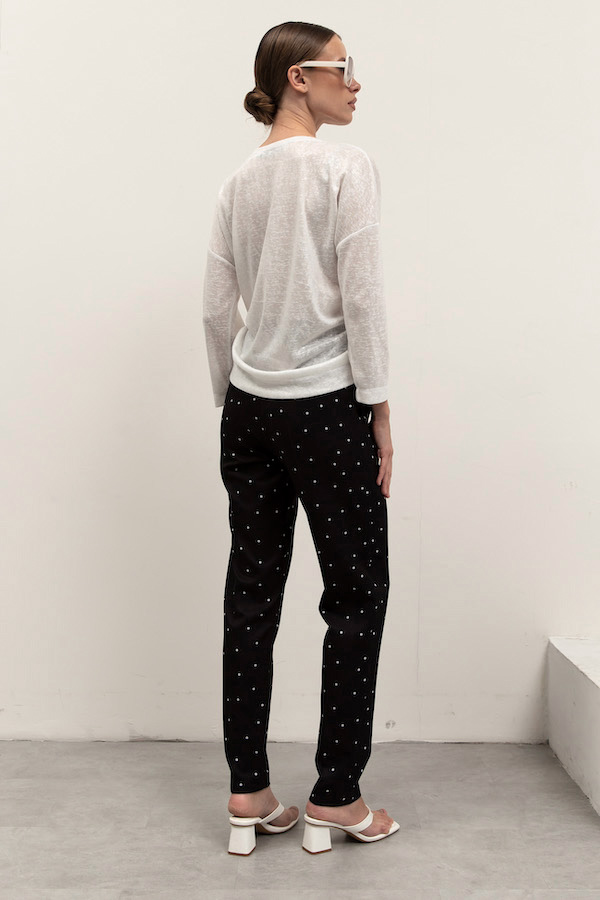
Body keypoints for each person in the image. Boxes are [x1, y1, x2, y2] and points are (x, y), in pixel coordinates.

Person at [202, 21, 400, 855]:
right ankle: (337, 798)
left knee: (251, 597)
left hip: (250, 408)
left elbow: (217, 307)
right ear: (297, 78)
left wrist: (233, 400)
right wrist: (379, 405)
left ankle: (249, 791)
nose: (355, 83)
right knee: (355, 597)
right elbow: (363, 294)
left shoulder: (237, 183)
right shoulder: (343, 168)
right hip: (327, 406)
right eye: (343, 69)